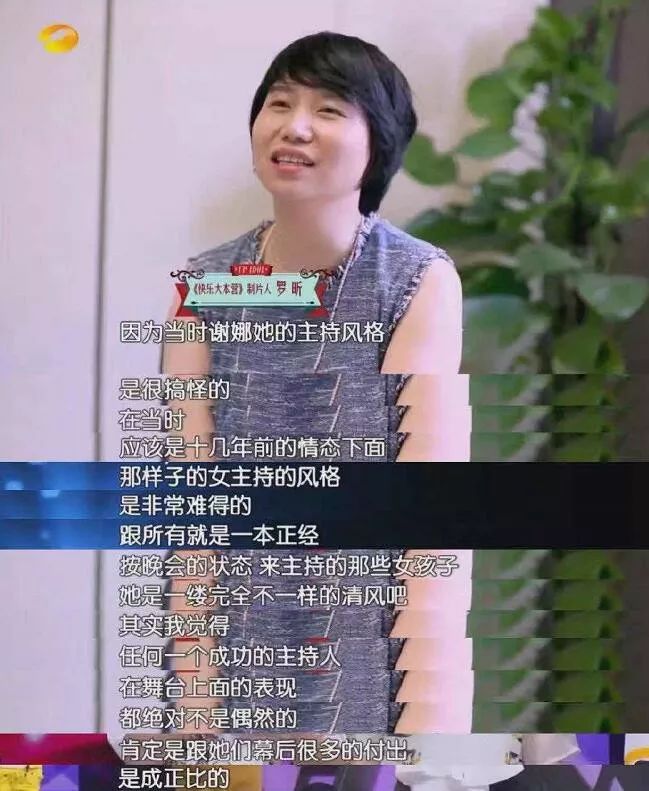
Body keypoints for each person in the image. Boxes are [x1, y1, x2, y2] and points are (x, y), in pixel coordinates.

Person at [162, 32, 472, 787]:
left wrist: (427, 728)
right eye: (279, 103)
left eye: (328, 110)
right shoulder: (205, 284)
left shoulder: (414, 279)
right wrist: (194, 696)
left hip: (367, 648)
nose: (294, 126)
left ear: (377, 146)